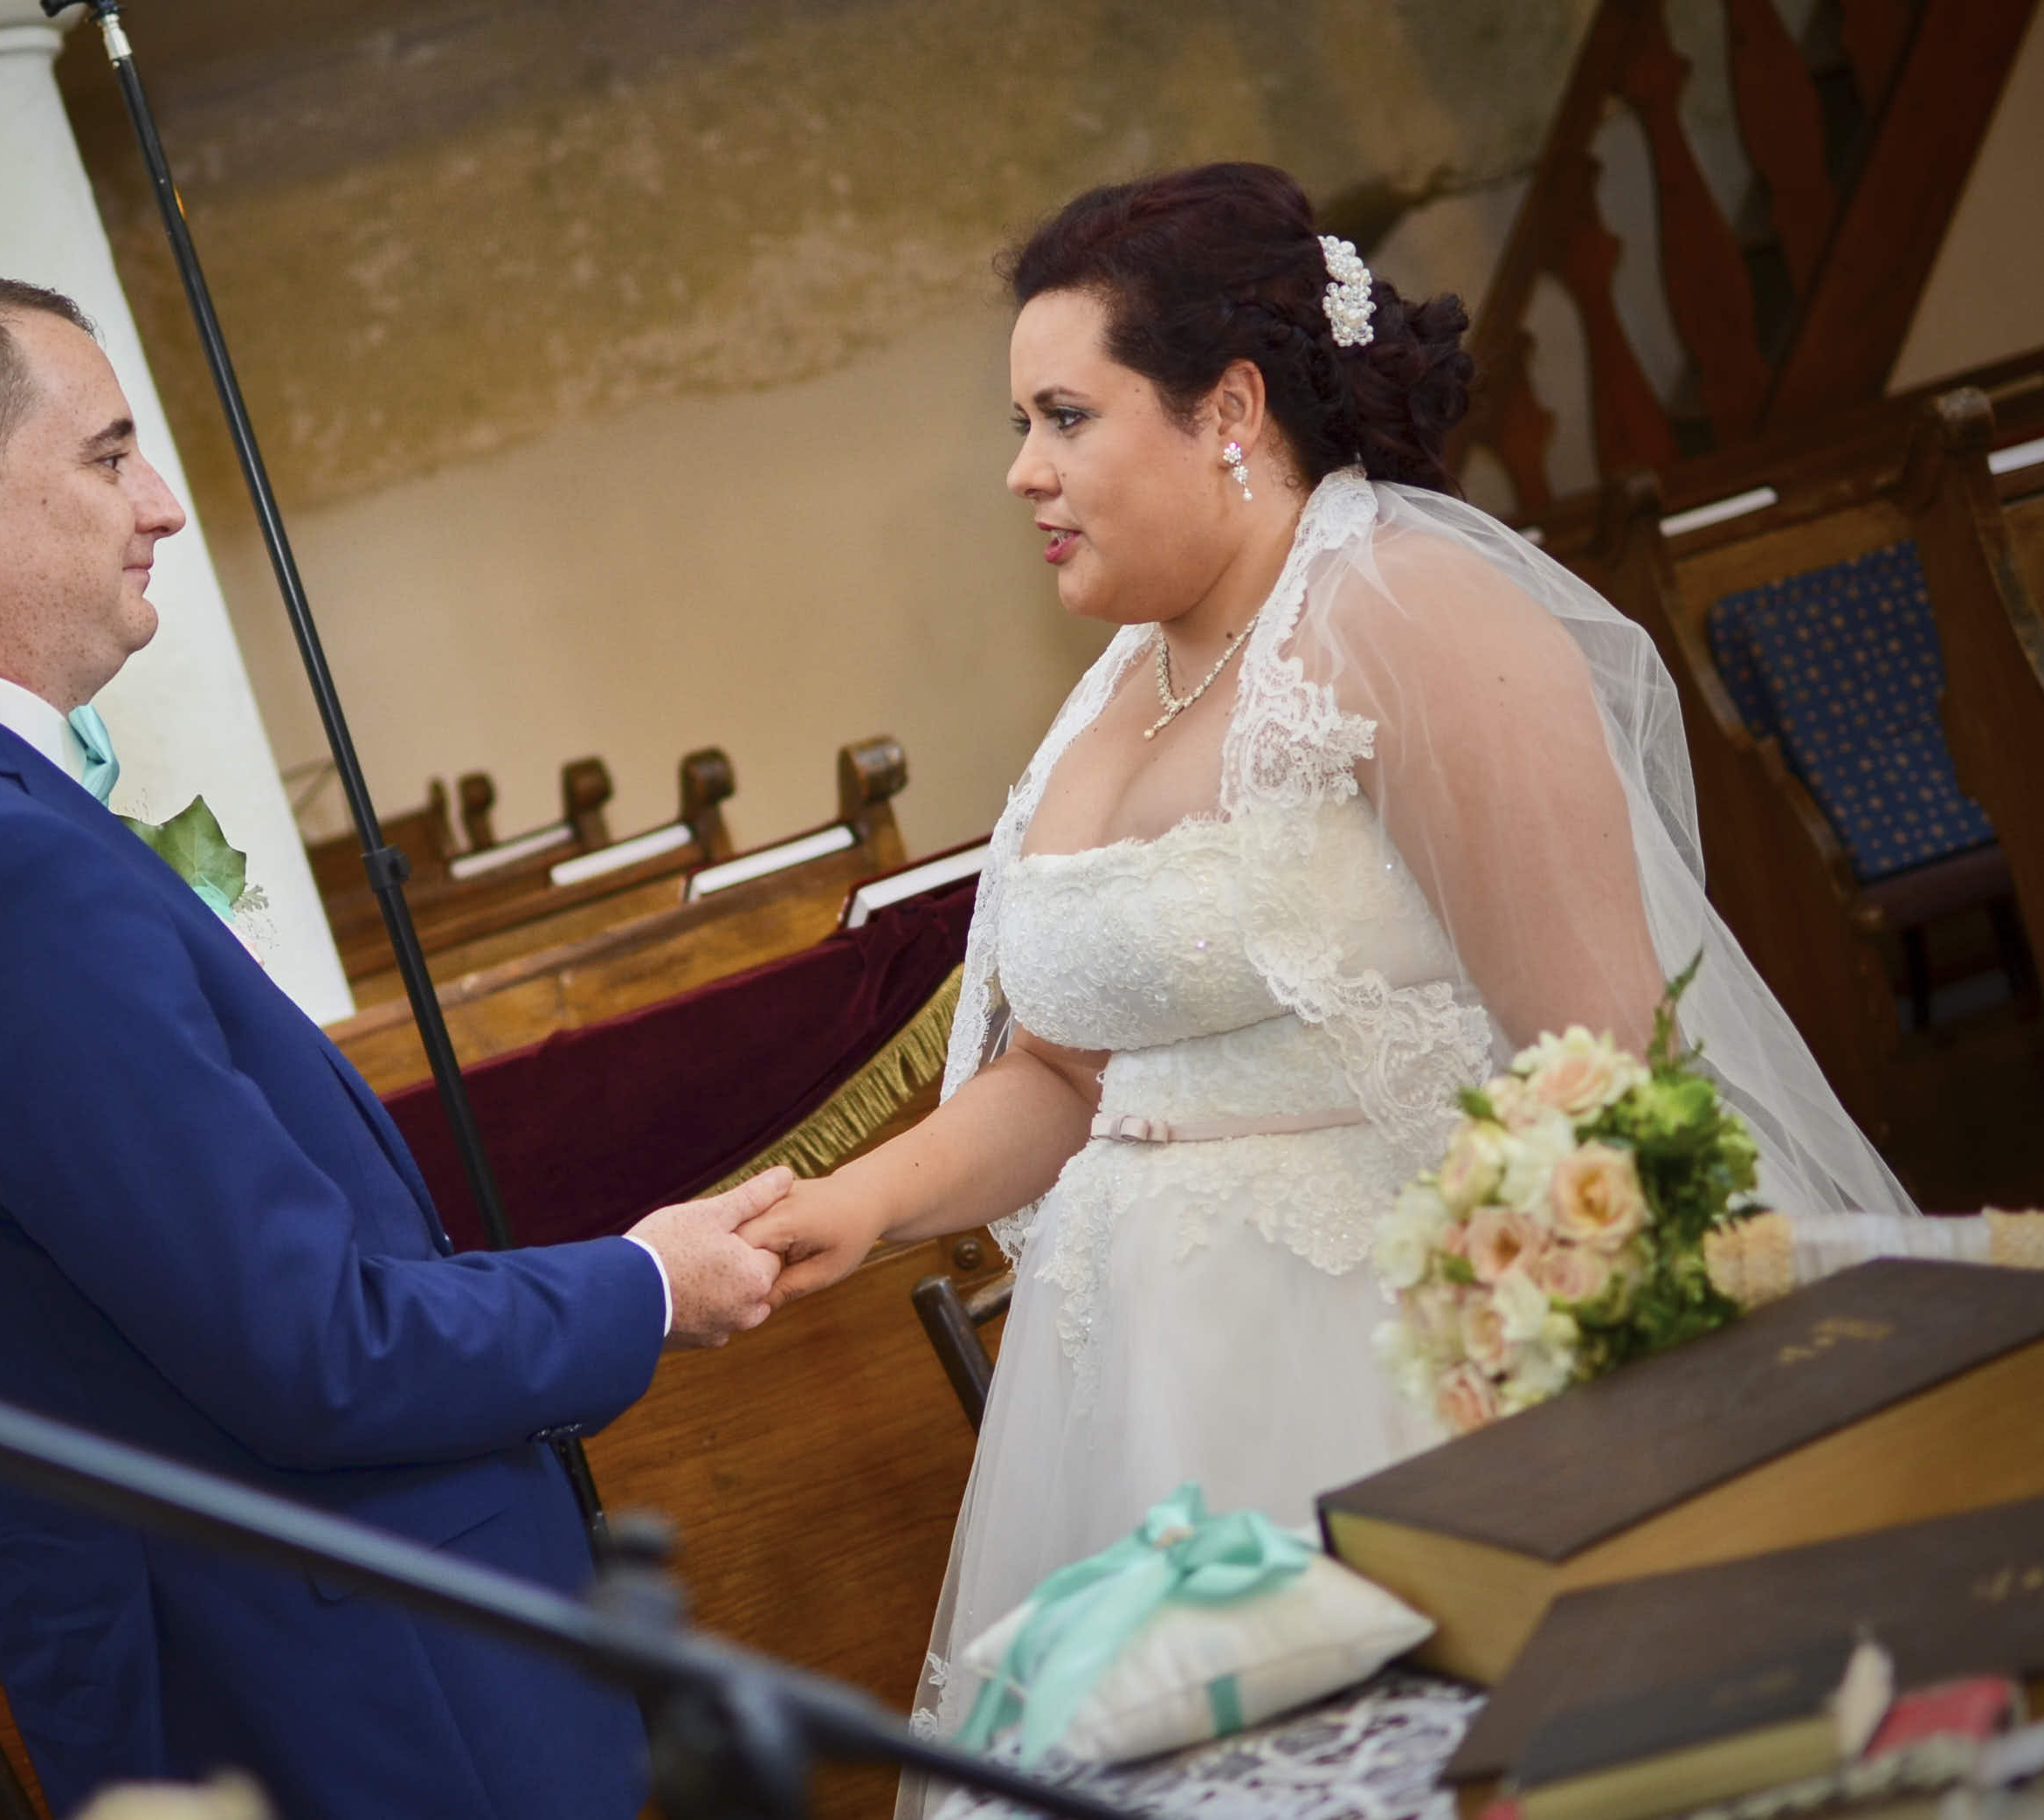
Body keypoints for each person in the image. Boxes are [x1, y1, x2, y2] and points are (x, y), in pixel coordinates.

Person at [729, 164, 1913, 1760]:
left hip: (1395, 1384)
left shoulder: (1409, 619)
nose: (1022, 471)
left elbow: (1609, 1071)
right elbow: (1070, 1075)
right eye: (1019, 424)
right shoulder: (1118, 685)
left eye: (1064, 417)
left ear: (1228, 407)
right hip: (1138, 1412)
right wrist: (855, 1205)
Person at [0, 271, 788, 1820]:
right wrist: (647, 1286)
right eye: (109, 455)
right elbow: (312, 1351)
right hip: (357, 1687)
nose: (160, 505)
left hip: (236, 1664)